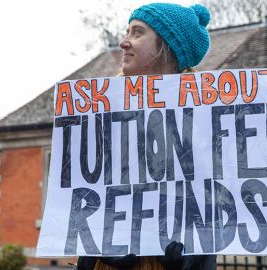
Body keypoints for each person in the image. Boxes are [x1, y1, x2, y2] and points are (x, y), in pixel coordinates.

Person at [77, 2, 216, 270]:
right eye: (127, 32)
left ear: (166, 47)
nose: (123, 42)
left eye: (137, 33)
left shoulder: (203, 119)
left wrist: (186, 257)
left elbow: (215, 207)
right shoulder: (103, 110)